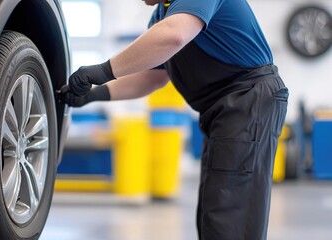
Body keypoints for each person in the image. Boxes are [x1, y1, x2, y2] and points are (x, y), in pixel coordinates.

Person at [60, 0, 289, 239]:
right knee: (216, 209)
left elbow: (174, 35)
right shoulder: (164, 12)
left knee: (229, 212)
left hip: (247, 100)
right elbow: (153, 77)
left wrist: (105, 69)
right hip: (225, 108)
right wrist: (95, 94)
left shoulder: (177, 17)